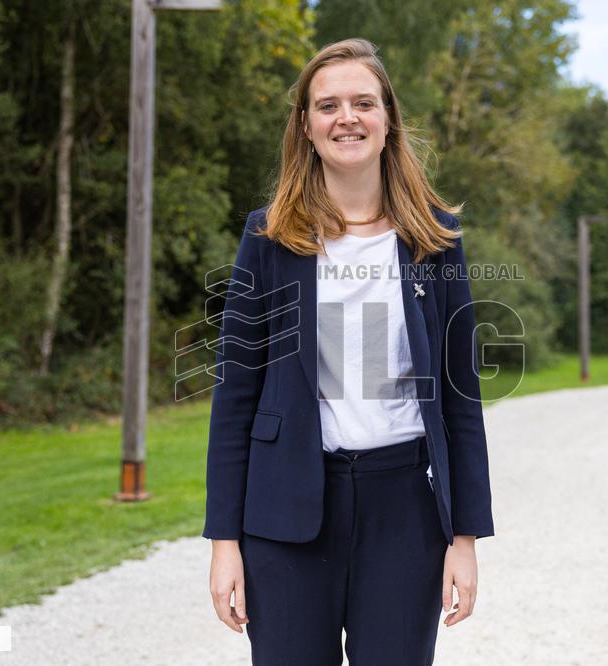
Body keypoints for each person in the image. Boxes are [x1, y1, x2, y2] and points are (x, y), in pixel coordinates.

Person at [204, 37, 495, 665]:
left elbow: (460, 398)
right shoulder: (269, 238)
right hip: (286, 515)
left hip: (405, 513)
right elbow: (234, 399)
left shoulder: (436, 240)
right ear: (306, 126)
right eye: (328, 105)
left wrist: (465, 538)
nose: (347, 118)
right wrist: (224, 543)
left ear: (388, 120)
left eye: (363, 102)